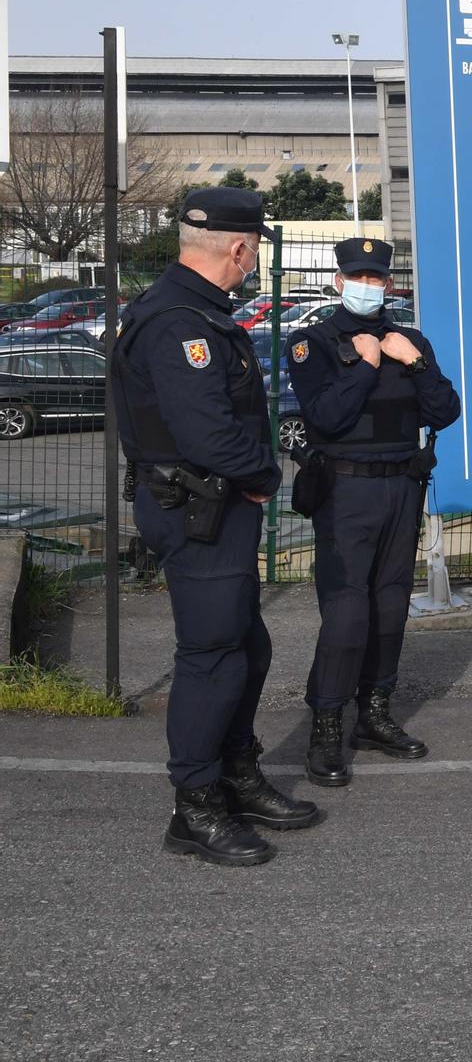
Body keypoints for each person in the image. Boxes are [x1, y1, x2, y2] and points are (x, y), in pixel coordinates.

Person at [111, 187, 321, 866]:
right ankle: (194, 806)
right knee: (212, 656)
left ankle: (235, 774)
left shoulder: (190, 310)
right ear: (239, 247)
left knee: (245, 648)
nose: (253, 259)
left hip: (210, 505)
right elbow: (208, 435)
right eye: (254, 249)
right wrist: (265, 477)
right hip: (198, 507)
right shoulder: (181, 323)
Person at [288, 237, 461, 788]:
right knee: (346, 615)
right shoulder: (311, 341)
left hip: (402, 490)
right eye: (357, 275)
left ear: (388, 283)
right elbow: (325, 418)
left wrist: (414, 365)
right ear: (339, 281)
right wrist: (364, 366)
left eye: (376, 277)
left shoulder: (411, 341)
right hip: (345, 493)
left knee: (390, 608)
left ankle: (374, 715)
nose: (367, 285)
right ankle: (326, 728)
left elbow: (446, 411)